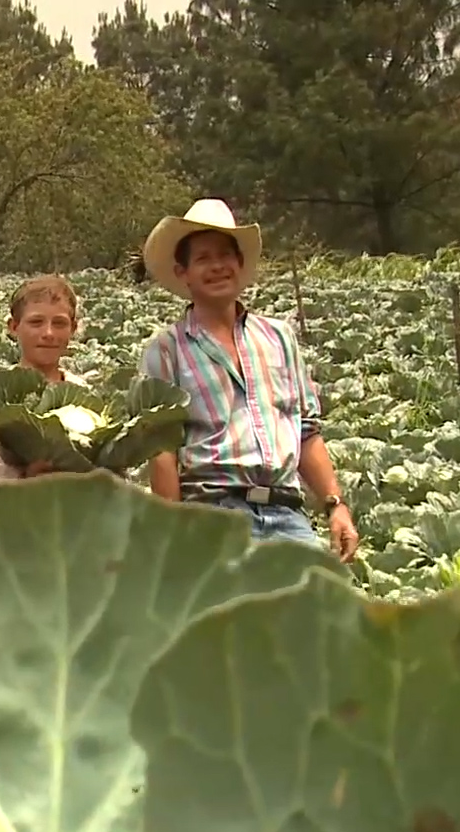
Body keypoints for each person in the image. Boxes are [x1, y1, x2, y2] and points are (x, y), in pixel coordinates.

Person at [135, 199, 359, 561]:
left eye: (226, 255)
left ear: (240, 264)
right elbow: (162, 451)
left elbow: (307, 431)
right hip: (212, 514)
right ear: (183, 272)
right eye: (204, 258)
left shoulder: (279, 338)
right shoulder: (165, 350)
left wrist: (335, 505)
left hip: (287, 516)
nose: (218, 266)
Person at [0, 275, 90, 482]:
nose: (48, 333)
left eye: (59, 323)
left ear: (73, 328)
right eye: (36, 322)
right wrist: (24, 477)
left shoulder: (86, 394)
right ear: (13, 327)